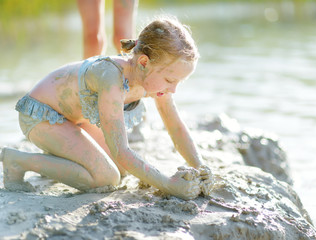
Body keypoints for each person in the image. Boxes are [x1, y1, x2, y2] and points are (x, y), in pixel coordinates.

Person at [0, 16, 213, 200]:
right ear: (143, 62)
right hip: (41, 115)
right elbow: (121, 150)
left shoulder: (155, 82)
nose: (173, 89)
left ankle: (59, 156)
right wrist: (168, 185)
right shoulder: (112, 78)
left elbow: (175, 126)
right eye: (169, 79)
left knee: (121, 170)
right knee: (105, 178)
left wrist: (200, 167)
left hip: (73, 120)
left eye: (179, 82)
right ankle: (17, 161)